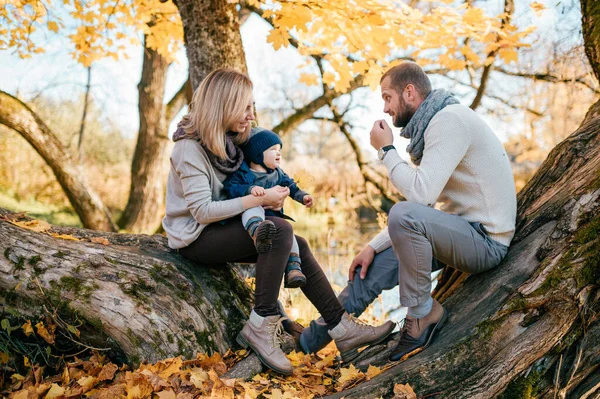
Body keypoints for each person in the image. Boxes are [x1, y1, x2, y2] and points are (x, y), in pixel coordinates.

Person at [162, 68, 395, 375]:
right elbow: (202, 211)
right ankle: (262, 322)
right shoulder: (188, 149)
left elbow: (263, 168)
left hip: (222, 227)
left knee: (296, 241)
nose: (250, 115)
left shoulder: (230, 144)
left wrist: (279, 190)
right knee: (280, 230)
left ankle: (340, 326)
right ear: (223, 106)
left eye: (251, 107)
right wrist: (260, 200)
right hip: (196, 238)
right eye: (244, 107)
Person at [299, 61, 517, 362]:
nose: (385, 108)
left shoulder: (449, 121)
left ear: (410, 92)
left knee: (402, 213)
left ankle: (421, 315)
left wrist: (386, 151)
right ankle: (305, 344)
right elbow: (422, 208)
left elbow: (419, 196)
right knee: (370, 267)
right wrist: (371, 247)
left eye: (388, 97)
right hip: (458, 232)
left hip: (486, 242)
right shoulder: (434, 127)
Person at [223, 128, 313, 288]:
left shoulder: (278, 174)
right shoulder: (244, 173)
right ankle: (258, 232)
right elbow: (231, 187)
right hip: (255, 215)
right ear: (257, 155)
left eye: (279, 150)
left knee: (289, 233)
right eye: (273, 150)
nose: (278, 154)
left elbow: (291, 185)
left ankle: (294, 268)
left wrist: (302, 196)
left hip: (275, 218)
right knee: (252, 209)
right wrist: (249, 190)